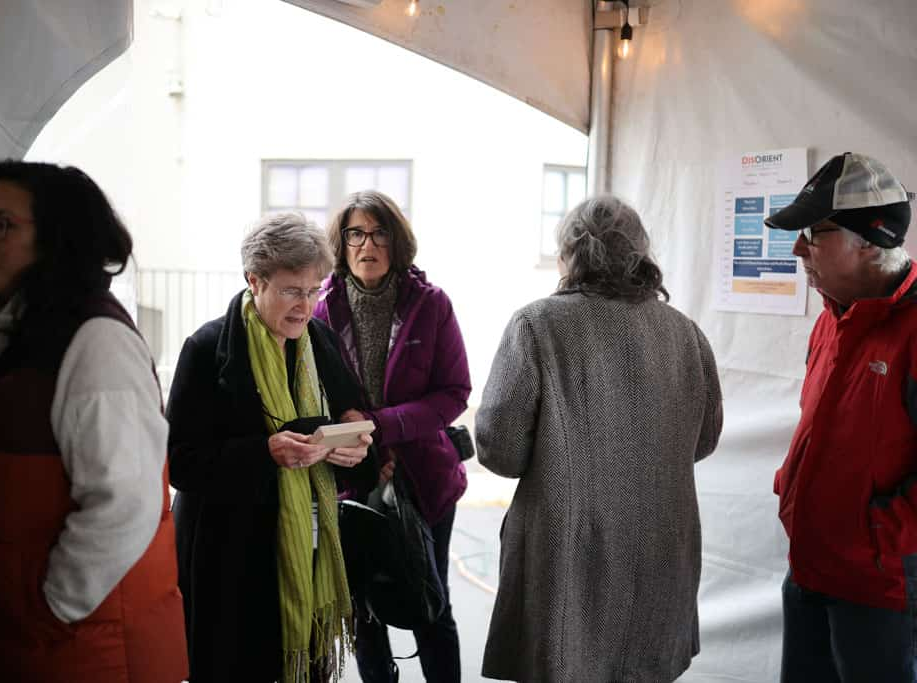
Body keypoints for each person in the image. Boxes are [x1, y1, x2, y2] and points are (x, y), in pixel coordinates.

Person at [0, 160, 187, 682]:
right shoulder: (2, 333)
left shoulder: (96, 342)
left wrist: (50, 607)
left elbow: (125, 503)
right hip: (17, 643)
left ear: (58, 236)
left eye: (3, 224)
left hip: (82, 649)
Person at [476, 195, 723, 683]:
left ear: (569, 255)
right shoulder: (685, 333)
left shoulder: (537, 325)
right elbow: (705, 439)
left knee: (563, 662)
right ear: (640, 253)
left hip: (566, 556)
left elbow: (500, 450)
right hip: (659, 552)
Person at [166, 212, 376, 682]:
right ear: (254, 281)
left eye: (314, 291)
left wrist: (355, 444)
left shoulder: (320, 340)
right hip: (229, 562)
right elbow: (179, 462)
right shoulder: (206, 348)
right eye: (291, 291)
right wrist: (264, 452)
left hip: (308, 551)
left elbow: (353, 419)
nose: (305, 306)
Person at [764, 152, 917, 682]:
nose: (797, 249)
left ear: (870, 240)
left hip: (879, 592)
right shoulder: (832, 316)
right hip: (810, 567)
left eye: (813, 232)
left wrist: (873, 539)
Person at [314, 190, 471, 683]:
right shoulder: (321, 309)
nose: (367, 245)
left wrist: (382, 426)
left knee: (431, 605)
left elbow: (454, 393)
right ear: (341, 244)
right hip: (353, 479)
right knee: (363, 608)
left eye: (379, 233)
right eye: (355, 234)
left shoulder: (431, 305)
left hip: (424, 478)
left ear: (396, 241)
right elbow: (314, 399)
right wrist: (362, 451)